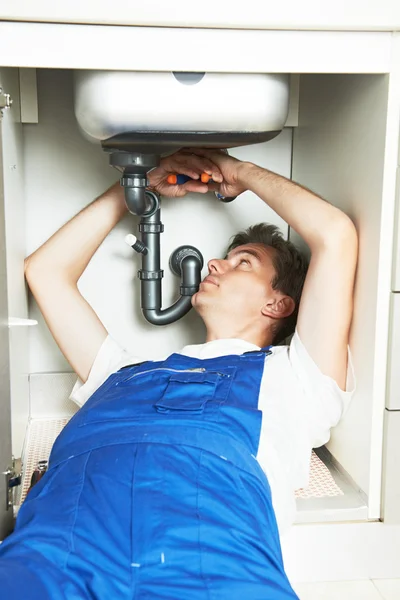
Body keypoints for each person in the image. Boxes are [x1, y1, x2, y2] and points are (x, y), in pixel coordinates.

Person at [0, 149, 357, 600]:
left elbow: (335, 234)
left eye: (242, 262)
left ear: (278, 304)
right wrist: (139, 185)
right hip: (59, 545)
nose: (214, 264)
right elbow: (44, 271)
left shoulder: (298, 376)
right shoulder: (123, 370)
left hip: (210, 557)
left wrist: (238, 171)